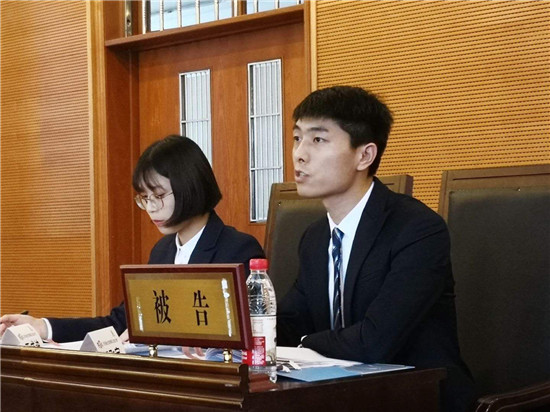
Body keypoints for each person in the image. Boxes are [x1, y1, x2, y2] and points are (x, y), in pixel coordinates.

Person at [276, 86, 476, 412]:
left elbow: (375, 342)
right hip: (342, 395)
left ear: (364, 155)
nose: (299, 154)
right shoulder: (315, 237)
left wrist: (304, 343)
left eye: (318, 139)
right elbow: (291, 321)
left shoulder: (417, 229)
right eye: (297, 138)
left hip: (419, 398)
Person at [0, 135, 264, 343]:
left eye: (158, 196)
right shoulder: (162, 251)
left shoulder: (238, 249)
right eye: (144, 198)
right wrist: (41, 327)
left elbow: (252, 330)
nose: (151, 208)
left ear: (190, 187)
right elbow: (121, 323)